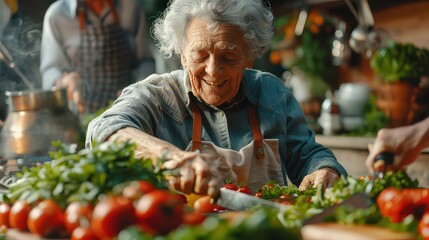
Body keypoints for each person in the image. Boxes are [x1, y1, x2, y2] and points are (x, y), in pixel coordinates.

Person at [86, 0, 348, 197]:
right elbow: (103, 131)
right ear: (182, 55)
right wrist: (169, 157)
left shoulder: (273, 94)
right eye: (200, 56)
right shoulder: (155, 96)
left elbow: (308, 154)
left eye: (229, 57)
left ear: (249, 56)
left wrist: (325, 169)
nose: (213, 71)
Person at [40, 0, 155, 114]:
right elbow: (50, 71)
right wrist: (64, 82)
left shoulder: (131, 5)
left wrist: (139, 89)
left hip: (129, 112)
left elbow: (145, 61)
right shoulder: (57, 15)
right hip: (81, 119)